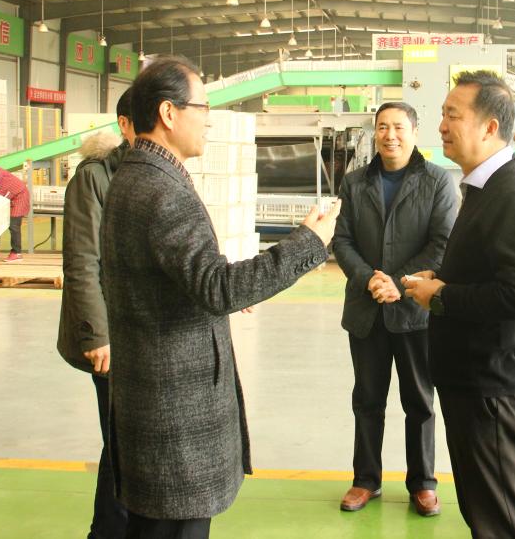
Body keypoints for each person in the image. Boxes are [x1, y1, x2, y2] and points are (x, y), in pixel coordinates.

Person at [99, 56, 341, 539]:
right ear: (169, 113)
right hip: (175, 408)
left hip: (153, 395)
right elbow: (218, 288)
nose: (208, 120)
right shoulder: (163, 190)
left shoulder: (135, 176)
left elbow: (183, 280)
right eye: (203, 107)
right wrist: (309, 243)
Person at [403, 70, 515, 539]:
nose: (441, 126)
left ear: (489, 127)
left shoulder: (513, 194)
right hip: (476, 383)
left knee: (502, 523)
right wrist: (443, 280)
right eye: (442, 114)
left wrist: (442, 296)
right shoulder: (484, 187)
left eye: (453, 115)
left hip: (494, 390)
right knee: (485, 515)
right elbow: (493, 273)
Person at [333, 102, 459, 517]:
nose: (390, 135)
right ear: (375, 132)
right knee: (367, 400)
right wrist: (369, 278)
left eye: (399, 127)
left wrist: (397, 282)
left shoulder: (437, 182)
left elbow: (442, 243)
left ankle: (422, 483)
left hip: (415, 312)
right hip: (366, 310)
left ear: (415, 132)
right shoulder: (355, 183)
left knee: (419, 401)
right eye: (383, 127)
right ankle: (365, 480)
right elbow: (342, 240)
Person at [56, 87, 136, 539]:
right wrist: (96, 335)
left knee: (130, 440)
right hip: (111, 334)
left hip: (143, 331)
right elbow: (82, 261)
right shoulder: (94, 177)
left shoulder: (154, 173)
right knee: (122, 440)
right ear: (125, 125)